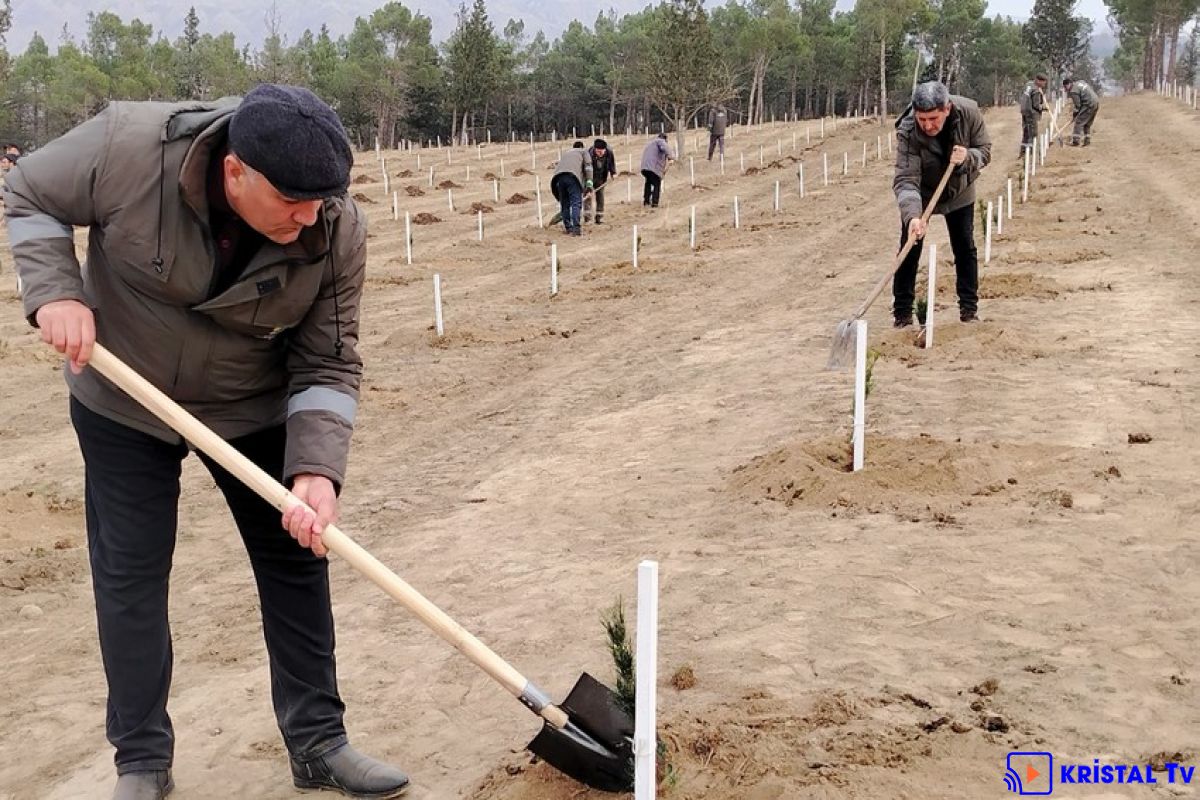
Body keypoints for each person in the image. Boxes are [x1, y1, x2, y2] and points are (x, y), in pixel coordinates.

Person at [3, 84, 410, 800]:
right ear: (235, 172)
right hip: (124, 397)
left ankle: (318, 741)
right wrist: (55, 290)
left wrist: (316, 470)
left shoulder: (336, 227)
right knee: (130, 577)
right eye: (293, 200)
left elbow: (329, 360)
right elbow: (29, 191)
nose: (310, 216)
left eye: (322, 201)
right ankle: (141, 761)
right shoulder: (125, 148)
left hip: (252, 406)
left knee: (296, 560)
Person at [892, 80, 992, 326]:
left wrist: (969, 156)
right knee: (910, 247)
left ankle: (969, 310)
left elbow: (985, 151)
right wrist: (913, 217)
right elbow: (906, 180)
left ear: (947, 108)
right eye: (922, 119)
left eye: (933, 118)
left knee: (964, 247)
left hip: (959, 189)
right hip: (923, 194)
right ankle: (902, 314)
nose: (927, 125)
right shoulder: (907, 130)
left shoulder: (969, 113)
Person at [551, 140, 593, 236]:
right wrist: (589, 185)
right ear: (582, 147)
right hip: (572, 178)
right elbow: (588, 167)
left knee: (565, 204)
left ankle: (568, 228)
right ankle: (576, 229)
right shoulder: (584, 152)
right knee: (576, 204)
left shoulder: (567, 153)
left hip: (558, 178)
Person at [584, 138, 616, 224]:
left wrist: (613, 173)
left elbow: (612, 163)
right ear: (595, 149)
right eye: (598, 151)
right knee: (588, 196)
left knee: (600, 196)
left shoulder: (609, 152)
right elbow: (586, 169)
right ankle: (587, 218)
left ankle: (599, 217)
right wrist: (589, 186)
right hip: (589, 177)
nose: (600, 153)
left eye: (602, 151)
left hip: (601, 177)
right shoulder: (589, 155)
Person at [640, 133, 675, 208]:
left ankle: (646, 201)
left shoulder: (650, 143)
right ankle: (655, 203)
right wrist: (671, 157)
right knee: (656, 184)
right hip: (653, 167)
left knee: (648, 182)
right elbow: (666, 148)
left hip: (644, 167)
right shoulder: (660, 141)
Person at [1063, 77, 1100, 146]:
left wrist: (1075, 115)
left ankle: (1076, 141)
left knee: (1079, 122)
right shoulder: (1080, 82)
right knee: (1087, 123)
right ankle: (1087, 140)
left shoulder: (1073, 91)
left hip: (1088, 103)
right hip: (1096, 102)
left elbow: (1078, 105)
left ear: (1069, 84)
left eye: (1065, 87)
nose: (1065, 90)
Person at [1019, 74, 1047, 158]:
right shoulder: (1036, 90)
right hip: (1031, 113)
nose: (1044, 85)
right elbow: (1036, 105)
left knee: (1026, 133)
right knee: (1033, 133)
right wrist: (1044, 108)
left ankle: (1023, 152)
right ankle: (1030, 153)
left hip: (1024, 111)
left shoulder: (1028, 84)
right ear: (1038, 81)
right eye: (1043, 83)